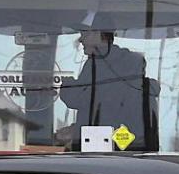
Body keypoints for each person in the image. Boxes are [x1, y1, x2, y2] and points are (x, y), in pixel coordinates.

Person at [58, 12, 151, 150]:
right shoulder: (124, 62)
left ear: (98, 34)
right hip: (125, 145)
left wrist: (68, 84)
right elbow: (102, 109)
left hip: (108, 147)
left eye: (84, 34)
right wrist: (75, 129)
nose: (81, 40)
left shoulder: (101, 64)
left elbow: (81, 100)